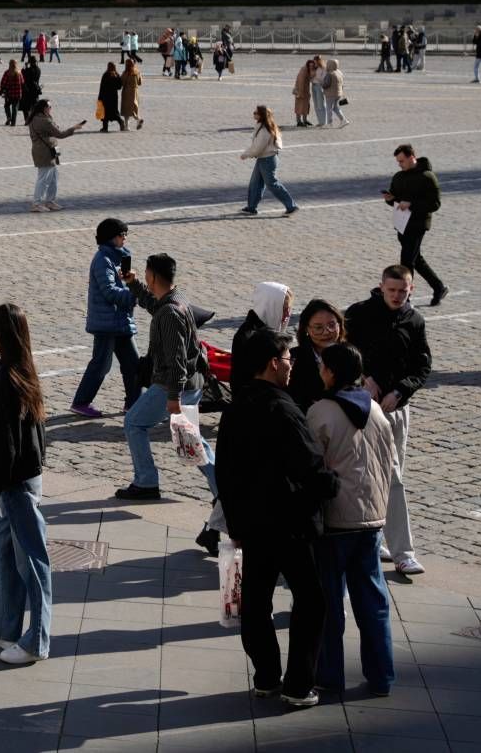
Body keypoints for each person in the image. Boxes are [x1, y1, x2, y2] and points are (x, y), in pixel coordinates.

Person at [216, 327, 338, 708]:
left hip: (253, 525)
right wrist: (331, 485)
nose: (291, 365)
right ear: (272, 363)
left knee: (256, 602)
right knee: (311, 600)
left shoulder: (235, 408)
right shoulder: (283, 409)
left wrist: (235, 524)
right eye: (287, 359)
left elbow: (225, 474)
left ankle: (267, 676)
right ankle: (298, 684)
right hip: (291, 523)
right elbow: (310, 467)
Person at [306, 342, 398, 698]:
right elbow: (388, 461)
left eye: (322, 366)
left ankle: (329, 676)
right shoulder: (375, 409)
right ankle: (382, 675)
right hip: (372, 519)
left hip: (335, 521)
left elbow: (313, 466)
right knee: (373, 601)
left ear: (330, 372)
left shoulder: (321, 412)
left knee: (330, 604)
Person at [116, 254, 218, 529]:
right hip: (190, 383)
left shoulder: (170, 313)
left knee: (134, 422)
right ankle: (223, 491)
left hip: (173, 386)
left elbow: (175, 360)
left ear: (152, 276)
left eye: (145, 275)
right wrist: (134, 285)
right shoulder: (176, 299)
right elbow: (154, 305)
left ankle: (146, 482)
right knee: (192, 439)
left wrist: (173, 398)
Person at [344, 266, 431, 575]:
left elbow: (422, 366)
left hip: (396, 409)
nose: (396, 296)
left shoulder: (414, 320)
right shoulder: (359, 314)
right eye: (391, 290)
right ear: (381, 287)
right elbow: (344, 351)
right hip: (364, 410)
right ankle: (403, 553)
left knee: (394, 476)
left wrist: (400, 391)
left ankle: (377, 535)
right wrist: (364, 378)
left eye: (402, 291)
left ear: (411, 289)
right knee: (392, 479)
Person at [0, 302, 49, 665]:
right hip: (22, 478)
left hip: (14, 482)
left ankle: (36, 641)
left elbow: (3, 439)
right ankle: (6, 628)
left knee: (32, 563)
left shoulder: (7, 377)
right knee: (3, 554)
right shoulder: (21, 368)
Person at [69, 218, 140, 419]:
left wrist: (130, 282)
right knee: (101, 364)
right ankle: (81, 401)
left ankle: (134, 403)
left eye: (125, 234)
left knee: (133, 364)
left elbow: (121, 284)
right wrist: (134, 294)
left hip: (120, 320)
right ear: (111, 238)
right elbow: (109, 291)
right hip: (107, 323)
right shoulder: (103, 260)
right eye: (122, 235)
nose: (125, 238)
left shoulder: (119, 257)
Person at [383, 145, 446, 304]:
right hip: (402, 223)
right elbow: (396, 200)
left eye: (402, 161)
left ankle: (405, 299)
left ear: (412, 157)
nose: (400, 165)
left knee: (407, 261)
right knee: (415, 259)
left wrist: (411, 204)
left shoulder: (427, 177)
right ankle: (438, 287)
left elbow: (435, 204)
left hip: (418, 224)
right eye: (398, 162)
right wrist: (391, 199)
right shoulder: (399, 177)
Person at [238, 105, 299, 216]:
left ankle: (291, 206)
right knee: (255, 183)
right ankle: (251, 207)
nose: (254, 114)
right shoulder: (264, 126)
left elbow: (258, 148)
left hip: (267, 160)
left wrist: (246, 154)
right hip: (264, 159)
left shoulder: (264, 130)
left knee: (272, 184)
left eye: (256, 112)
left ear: (261, 115)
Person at [26, 99, 83, 213]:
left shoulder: (39, 118)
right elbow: (60, 134)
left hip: (46, 150)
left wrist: (50, 118)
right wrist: (74, 128)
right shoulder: (44, 121)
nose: (51, 109)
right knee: (43, 178)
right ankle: (36, 203)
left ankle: (50, 201)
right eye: (49, 107)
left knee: (53, 177)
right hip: (44, 152)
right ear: (44, 108)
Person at [290, 300, 345, 413]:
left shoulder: (352, 355)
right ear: (306, 329)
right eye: (318, 328)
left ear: (339, 324)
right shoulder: (292, 359)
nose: (326, 332)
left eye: (331, 325)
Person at [96, 62, 122, 132]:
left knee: (106, 112)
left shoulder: (106, 75)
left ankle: (105, 127)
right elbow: (119, 86)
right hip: (113, 96)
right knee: (113, 112)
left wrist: (100, 97)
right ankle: (121, 123)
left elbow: (102, 87)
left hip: (107, 96)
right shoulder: (116, 75)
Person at [322, 57, 348, 127]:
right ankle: (343, 120)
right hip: (338, 93)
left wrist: (322, 84)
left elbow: (326, 84)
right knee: (335, 107)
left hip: (330, 94)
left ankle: (329, 123)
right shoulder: (339, 72)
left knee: (329, 108)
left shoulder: (330, 74)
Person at [119, 57, 144, 130]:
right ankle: (138, 119)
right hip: (135, 92)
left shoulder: (125, 73)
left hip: (126, 92)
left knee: (126, 109)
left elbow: (121, 82)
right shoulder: (137, 72)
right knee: (134, 108)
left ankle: (128, 125)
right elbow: (140, 83)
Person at [0, 60, 22, 127]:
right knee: (15, 108)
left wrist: (1, 90)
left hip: (9, 93)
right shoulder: (19, 72)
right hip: (17, 93)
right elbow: (22, 82)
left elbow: (3, 82)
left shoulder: (7, 72)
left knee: (7, 105)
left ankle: (9, 117)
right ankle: (13, 122)